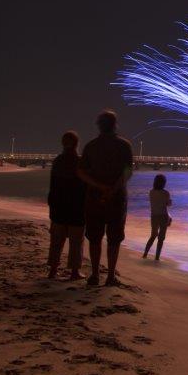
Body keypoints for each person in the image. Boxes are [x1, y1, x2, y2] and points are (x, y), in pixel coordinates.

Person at [77, 111, 134, 287]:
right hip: (117, 199)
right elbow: (127, 172)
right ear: (115, 125)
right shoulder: (125, 145)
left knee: (94, 237)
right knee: (114, 238)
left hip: (94, 198)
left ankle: (94, 274)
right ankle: (110, 276)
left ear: (98, 125)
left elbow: (81, 172)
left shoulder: (90, 146)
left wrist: (99, 186)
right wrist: (113, 189)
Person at [47, 131, 87, 280]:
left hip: (59, 207)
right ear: (77, 144)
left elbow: (53, 186)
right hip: (76, 207)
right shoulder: (80, 162)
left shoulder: (58, 161)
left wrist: (51, 205)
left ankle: (53, 269)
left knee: (57, 241)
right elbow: (85, 186)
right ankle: (74, 272)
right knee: (76, 242)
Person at [143, 174, 172, 261]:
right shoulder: (166, 193)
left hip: (154, 216)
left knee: (153, 236)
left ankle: (145, 254)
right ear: (164, 183)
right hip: (163, 216)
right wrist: (170, 202)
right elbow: (168, 205)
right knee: (161, 238)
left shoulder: (151, 192)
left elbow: (155, 204)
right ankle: (157, 257)